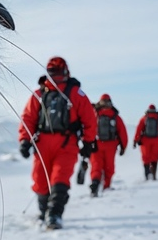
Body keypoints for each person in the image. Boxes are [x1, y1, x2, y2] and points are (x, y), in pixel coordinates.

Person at [18, 57, 97, 229]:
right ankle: (44, 211)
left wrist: (88, 142)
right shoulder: (42, 94)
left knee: (59, 179)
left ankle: (54, 215)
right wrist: (25, 139)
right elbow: (28, 119)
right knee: (40, 180)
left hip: (65, 143)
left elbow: (89, 120)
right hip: (47, 143)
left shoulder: (73, 94)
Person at [87, 93, 127, 197]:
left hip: (96, 144)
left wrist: (87, 142)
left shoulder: (94, 114)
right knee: (109, 167)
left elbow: (88, 128)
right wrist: (123, 147)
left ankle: (95, 184)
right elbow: (122, 133)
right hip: (111, 145)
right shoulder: (115, 116)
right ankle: (106, 187)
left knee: (96, 166)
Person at [133, 104, 158, 180]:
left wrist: (135, 140)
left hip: (145, 141)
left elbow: (138, 130)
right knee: (154, 158)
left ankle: (146, 174)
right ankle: (154, 174)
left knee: (146, 158)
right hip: (156, 140)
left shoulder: (144, 118)